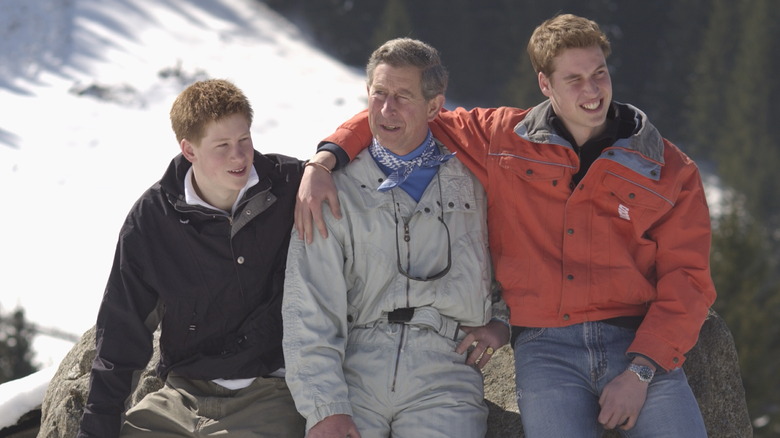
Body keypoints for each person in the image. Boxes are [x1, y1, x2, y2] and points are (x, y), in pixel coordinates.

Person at [297, 14, 717, 437]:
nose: (591, 91)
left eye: (599, 74)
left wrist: (642, 371)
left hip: (635, 341)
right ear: (545, 85)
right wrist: (325, 159)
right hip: (547, 348)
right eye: (573, 79)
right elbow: (399, 119)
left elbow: (689, 280)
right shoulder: (502, 141)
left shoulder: (670, 169)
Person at [282, 38, 510, 438]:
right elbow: (308, 309)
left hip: (446, 371)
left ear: (435, 106)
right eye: (379, 94)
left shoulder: (477, 181)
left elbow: (525, 253)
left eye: (403, 97)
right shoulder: (331, 188)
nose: (387, 110)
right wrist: (325, 407)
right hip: (355, 369)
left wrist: (504, 321)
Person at [77, 79, 306, 438]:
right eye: (223, 146)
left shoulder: (290, 186)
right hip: (180, 399)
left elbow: (366, 156)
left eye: (244, 139)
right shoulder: (153, 219)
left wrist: (326, 161)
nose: (240, 155)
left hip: (268, 394)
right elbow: (122, 329)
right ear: (189, 150)